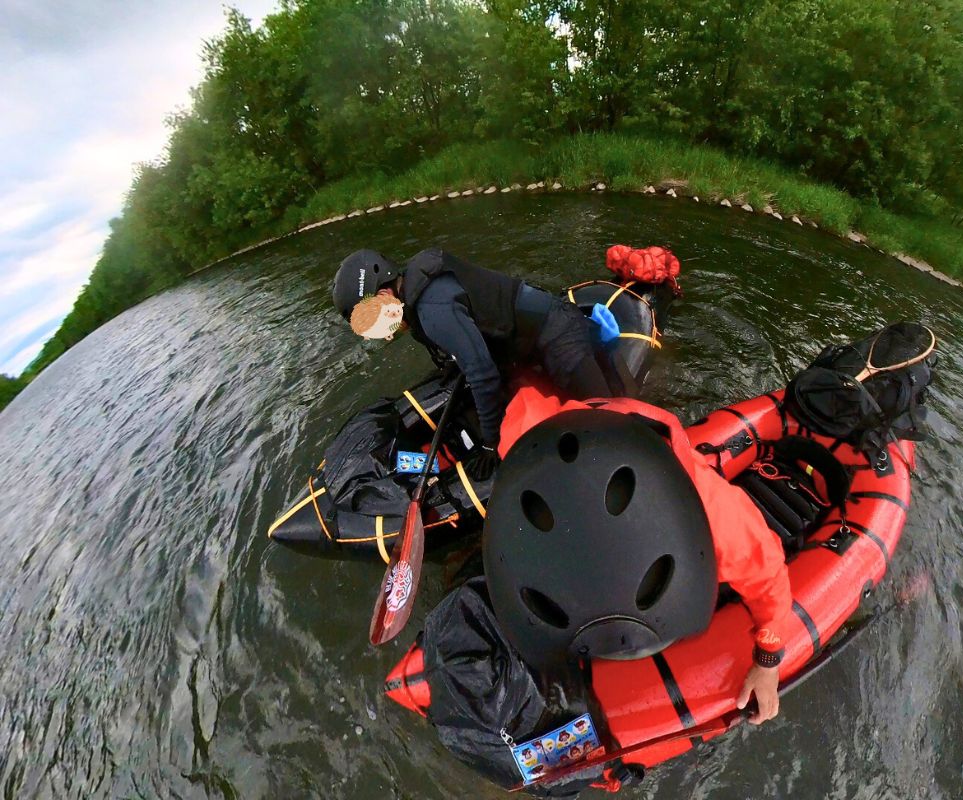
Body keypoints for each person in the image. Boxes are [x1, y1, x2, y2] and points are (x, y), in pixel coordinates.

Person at [483, 385, 794, 725]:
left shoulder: (716, 517)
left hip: (629, 438)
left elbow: (768, 573)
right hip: (603, 431)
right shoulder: (529, 441)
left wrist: (768, 660)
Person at [332, 248, 617, 480]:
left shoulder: (433, 309)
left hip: (557, 332)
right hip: (523, 344)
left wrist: (490, 444)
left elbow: (483, 374)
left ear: (385, 296)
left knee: (608, 425)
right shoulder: (416, 297)